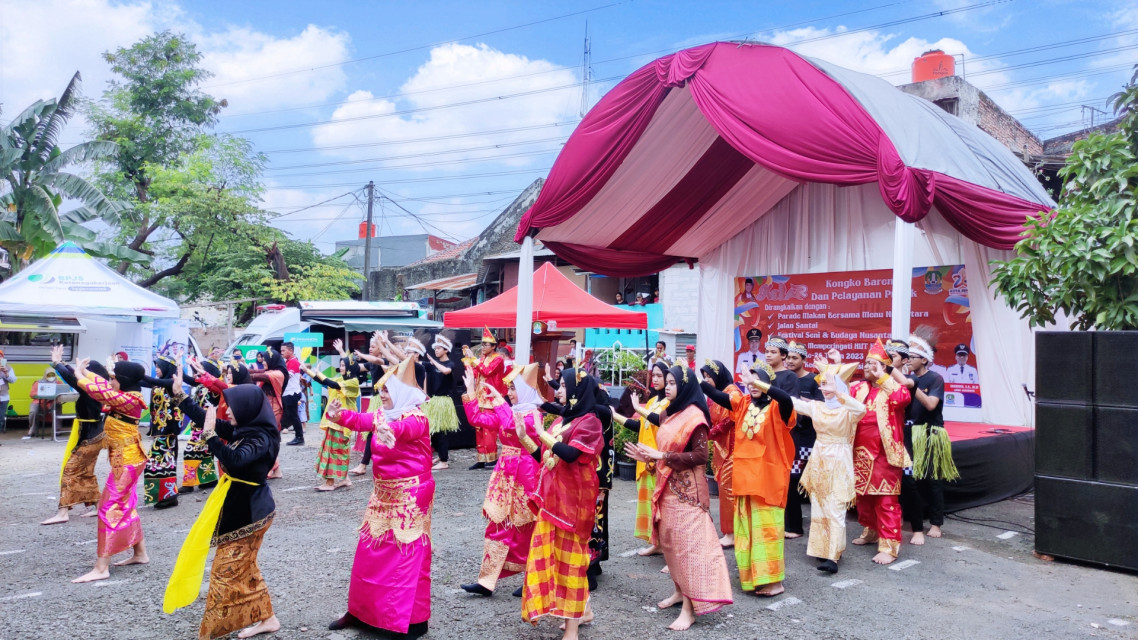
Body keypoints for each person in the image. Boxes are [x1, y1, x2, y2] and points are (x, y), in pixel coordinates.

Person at [325, 359, 433, 639]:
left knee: (406, 558)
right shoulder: (384, 414)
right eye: (381, 390)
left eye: (387, 390)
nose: (382, 395)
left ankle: (406, 622)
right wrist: (338, 415)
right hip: (382, 494)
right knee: (368, 552)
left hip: (411, 494)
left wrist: (391, 432)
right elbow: (362, 420)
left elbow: (406, 431)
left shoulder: (416, 417)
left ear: (402, 391)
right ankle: (362, 612)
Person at [166, 384, 281, 640]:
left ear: (247, 409)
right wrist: (180, 397)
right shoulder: (245, 429)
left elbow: (236, 459)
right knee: (245, 568)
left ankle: (213, 632)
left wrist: (211, 439)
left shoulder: (260, 438)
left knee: (224, 571)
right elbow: (207, 421)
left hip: (252, 513)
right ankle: (268, 618)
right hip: (241, 508)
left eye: (233, 407)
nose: (227, 411)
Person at [624, 365, 733, 631]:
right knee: (670, 545)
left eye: (672, 383)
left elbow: (699, 457)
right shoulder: (671, 413)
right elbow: (660, 448)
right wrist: (648, 458)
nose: (667, 387)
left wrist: (660, 456)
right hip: (667, 487)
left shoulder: (695, 417)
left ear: (684, 386)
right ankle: (678, 592)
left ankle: (689, 608)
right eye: (667, 382)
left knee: (687, 550)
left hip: (688, 494)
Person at [518, 368, 604, 640]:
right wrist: (525, 437)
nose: (559, 391)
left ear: (578, 390)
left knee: (571, 565)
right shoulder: (564, 420)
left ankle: (572, 629)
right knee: (554, 561)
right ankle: (584, 610)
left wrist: (542, 432)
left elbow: (568, 455)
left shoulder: (590, 422)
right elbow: (546, 458)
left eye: (564, 386)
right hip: (553, 501)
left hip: (573, 504)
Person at [459, 363, 546, 596]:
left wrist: (498, 399)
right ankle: (487, 580)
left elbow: (510, 425)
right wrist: (469, 391)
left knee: (526, 527)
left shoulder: (533, 415)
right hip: (504, 473)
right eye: (508, 389)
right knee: (497, 523)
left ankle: (532, 578)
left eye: (514, 389)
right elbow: (478, 418)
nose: (509, 393)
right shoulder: (513, 409)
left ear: (527, 390)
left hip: (527, 474)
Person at [71, 358, 149, 583]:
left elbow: (101, 392)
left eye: (114, 378)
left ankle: (101, 566)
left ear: (123, 380)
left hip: (128, 461)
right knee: (127, 505)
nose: (111, 381)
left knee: (107, 507)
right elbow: (103, 386)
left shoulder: (128, 400)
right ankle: (140, 553)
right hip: (124, 459)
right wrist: (84, 370)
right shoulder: (128, 396)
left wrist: (79, 374)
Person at [790, 353, 864, 573]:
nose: (823, 386)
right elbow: (791, 402)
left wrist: (841, 395)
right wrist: (759, 384)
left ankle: (833, 556)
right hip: (819, 459)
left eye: (828, 383)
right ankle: (821, 551)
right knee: (819, 508)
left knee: (836, 508)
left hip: (839, 460)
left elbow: (861, 410)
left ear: (840, 385)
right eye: (822, 383)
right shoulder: (818, 407)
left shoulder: (848, 410)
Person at [731, 360, 797, 596]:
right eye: (749, 380)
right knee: (747, 530)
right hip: (745, 479)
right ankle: (753, 579)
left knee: (767, 531)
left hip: (768, 480)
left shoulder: (779, 408)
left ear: (768, 382)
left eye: (758, 379)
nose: (752, 385)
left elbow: (787, 399)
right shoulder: (745, 405)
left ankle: (775, 582)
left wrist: (755, 381)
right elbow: (719, 396)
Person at [848, 340, 912, 565]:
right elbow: (839, 399)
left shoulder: (893, 387)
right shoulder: (858, 388)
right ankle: (871, 532)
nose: (868, 367)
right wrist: (835, 368)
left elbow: (902, 398)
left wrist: (884, 377)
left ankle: (889, 545)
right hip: (860, 451)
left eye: (874, 364)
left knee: (885, 499)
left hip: (885, 454)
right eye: (866, 363)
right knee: (863, 498)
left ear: (884, 367)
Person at [899, 329, 958, 545]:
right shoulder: (908, 379)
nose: (908, 361)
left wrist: (913, 386)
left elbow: (931, 404)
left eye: (912, 357)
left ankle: (935, 523)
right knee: (909, 479)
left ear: (924, 359)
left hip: (931, 433)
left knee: (933, 480)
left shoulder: (935, 379)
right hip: (910, 433)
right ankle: (910, 519)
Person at [42, 344, 106, 525]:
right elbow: (74, 375)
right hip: (95, 434)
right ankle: (99, 507)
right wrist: (61, 363)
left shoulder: (90, 389)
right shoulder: (98, 386)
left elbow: (72, 378)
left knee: (70, 471)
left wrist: (56, 364)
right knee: (86, 473)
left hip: (89, 436)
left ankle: (63, 513)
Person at [612, 361, 670, 555]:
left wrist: (637, 406)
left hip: (658, 460)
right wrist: (616, 416)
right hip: (644, 460)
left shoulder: (670, 403)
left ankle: (669, 547)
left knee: (662, 505)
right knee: (649, 504)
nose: (655, 379)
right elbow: (640, 426)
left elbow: (658, 422)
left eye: (659, 376)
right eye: (653, 375)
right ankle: (657, 543)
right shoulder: (653, 402)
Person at [698, 359, 747, 548]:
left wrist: (709, 433)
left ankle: (732, 534)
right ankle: (731, 531)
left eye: (709, 376)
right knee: (724, 490)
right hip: (721, 447)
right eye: (704, 377)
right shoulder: (716, 394)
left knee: (728, 491)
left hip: (732, 449)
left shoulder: (732, 392)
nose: (707, 380)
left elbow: (730, 420)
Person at [305, 342, 363, 491]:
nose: (341, 368)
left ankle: (330, 483)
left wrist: (315, 373)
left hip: (342, 423)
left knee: (334, 452)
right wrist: (309, 371)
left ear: (350, 369)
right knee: (337, 451)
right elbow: (325, 381)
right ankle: (345, 479)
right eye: (341, 366)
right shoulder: (343, 380)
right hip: (336, 422)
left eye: (343, 366)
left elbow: (329, 382)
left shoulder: (352, 382)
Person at [783, 340, 820, 539]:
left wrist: (803, 404)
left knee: (812, 483)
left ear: (804, 360)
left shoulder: (813, 380)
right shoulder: (786, 379)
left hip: (809, 440)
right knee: (792, 480)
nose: (790, 361)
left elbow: (822, 407)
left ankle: (818, 527)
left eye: (794, 358)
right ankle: (794, 526)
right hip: (791, 439)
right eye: (788, 357)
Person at [143, 354, 184, 509]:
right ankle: (167, 495)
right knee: (163, 462)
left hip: (168, 429)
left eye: (159, 366)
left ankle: (168, 496)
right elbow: (143, 381)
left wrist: (138, 373)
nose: (157, 369)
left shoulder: (171, 382)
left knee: (160, 462)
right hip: (160, 429)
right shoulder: (159, 383)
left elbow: (151, 380)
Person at [465, 326, 506, 470]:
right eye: (482, 344)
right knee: (479, 429)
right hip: (480, 397)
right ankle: (481, 458)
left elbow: (487, 372)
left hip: (490, 399)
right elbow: (477, 373)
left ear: (494, 346)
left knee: (489, 430)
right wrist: (469, 363)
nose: (483, 347)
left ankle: (492, 459)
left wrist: (474, 360)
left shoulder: (498, 359)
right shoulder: (482, 358)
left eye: (486, 344)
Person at [180, 355, 221, 493]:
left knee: (191, 451)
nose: (198, 372)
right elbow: (189, 379)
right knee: (205, 453)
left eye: (202, 369)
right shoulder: (200, 384)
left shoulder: (213, 388)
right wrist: (183, 365)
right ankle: (208, 480)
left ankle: (188, 483)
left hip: (206, 424)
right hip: (197, 424)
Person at [423, 332, 462, 470]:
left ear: (446, 350)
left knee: (441, 432)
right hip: (434, 401)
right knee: (433, 430)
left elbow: (446, 371)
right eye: (435, 348)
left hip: (443, 402)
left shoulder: (450, 363)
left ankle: (444, 461)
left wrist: (433, 361)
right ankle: (440, 454)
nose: (436, 350)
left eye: (439, 348)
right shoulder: (433, 364)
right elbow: (417, 364)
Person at [281, 341, 305, 446]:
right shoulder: (288, 361)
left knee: (293, 416)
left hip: (291, 393)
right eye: (281, 350)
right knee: (290, 415)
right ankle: (298, 436)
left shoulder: (293, 362)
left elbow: (286, 377)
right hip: (288, 392)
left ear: (291, 351)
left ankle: (299, 437)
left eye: (283, 350)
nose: (281, 352)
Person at [24, 367, 60, 438]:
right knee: (33, 411)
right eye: (49, 375)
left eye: (53, 375)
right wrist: (42, 394)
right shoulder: (38, 382)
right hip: (39, 402)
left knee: (57, 406)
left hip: (52, 402)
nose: (51, 377)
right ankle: (32, 430)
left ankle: (57, 429)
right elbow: (32, 394)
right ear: (45, 375)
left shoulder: (58, 383)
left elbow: (62, 392)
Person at [0, 350, 15, 434]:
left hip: (3, 397)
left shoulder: (8, 368)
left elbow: (13, 380)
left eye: (0, 356)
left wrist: (6, 373)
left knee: (1, 418)